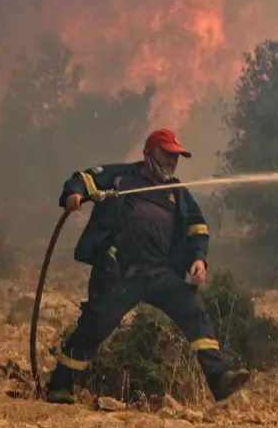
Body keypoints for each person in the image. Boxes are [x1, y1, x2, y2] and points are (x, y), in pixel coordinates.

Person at [43, 128, 252, 405]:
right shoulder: (120, 177)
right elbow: (83, 178)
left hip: (161, 274)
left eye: (176, 157)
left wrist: (198, 259)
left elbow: (197, 228)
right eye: (167, 154)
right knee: (95, 325)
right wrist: (74, 194)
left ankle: (220, 378)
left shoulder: (177, 193)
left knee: (195, 314)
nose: (172, 161)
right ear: (148, 154)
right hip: (121, 272)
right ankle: (60, 386)